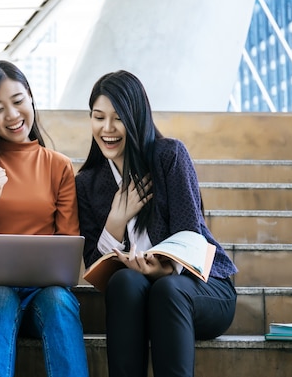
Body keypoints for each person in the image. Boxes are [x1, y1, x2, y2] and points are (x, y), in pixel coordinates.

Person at [75, 70, 238, 377]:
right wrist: (115, 220)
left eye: (118, 118)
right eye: (98, 117)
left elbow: (191, 233)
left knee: (168, 289)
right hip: (137, 299)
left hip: (200, 289)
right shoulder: (87, 183)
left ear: (136, 117)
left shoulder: (168, 156)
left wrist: (166, 267)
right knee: (123, 281)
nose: (107, 128)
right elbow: (96, 270)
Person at [0, 60, 89, 377]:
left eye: (18, 101)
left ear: (31, 99)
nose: (12, 115)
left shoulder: (58, 166)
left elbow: (68, 243)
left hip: (43, 296)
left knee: (59, 300)